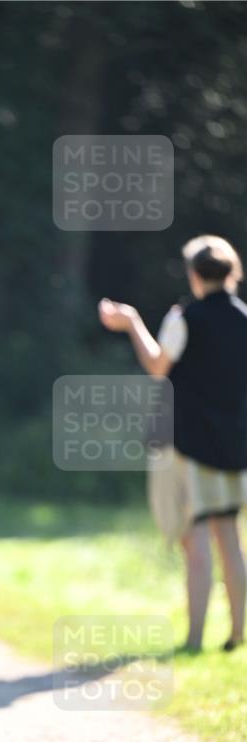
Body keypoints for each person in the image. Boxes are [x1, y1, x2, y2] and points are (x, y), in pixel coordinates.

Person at [98, 235, 247, 653]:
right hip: (232, 445)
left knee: (195, 538)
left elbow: (158, 366)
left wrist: (131, 323)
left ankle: (195, 639)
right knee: (230, 538)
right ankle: (237, 634)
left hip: (185, 442)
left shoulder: (185, 317)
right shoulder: (244, 318)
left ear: (195, 273)